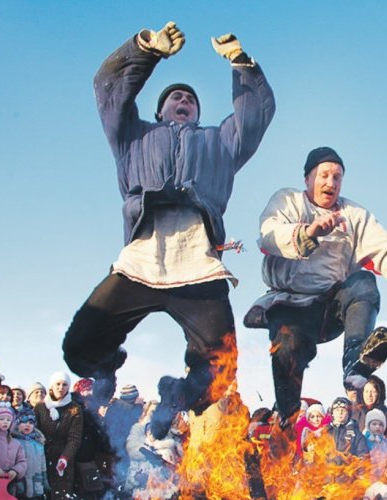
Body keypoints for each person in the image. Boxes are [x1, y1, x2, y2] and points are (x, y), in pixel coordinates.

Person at [62, 21, 276, 440]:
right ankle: (107, 367)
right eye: (176, 97)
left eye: (190, 99)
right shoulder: (132, 136)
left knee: (220, 371)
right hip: (142, 259)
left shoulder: (219, 143)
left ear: (197, 113)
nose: (184, 101)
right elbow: (108, 88)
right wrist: (146, 50)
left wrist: (243, 65)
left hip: (196, 264)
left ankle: (175, 398)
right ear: (160, 110)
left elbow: (255, 119)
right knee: (78, 349)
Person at [244, 146, 387, 423]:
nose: (330, 183)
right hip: (290, 303)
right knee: (287, 349)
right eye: (324, 175)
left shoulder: (353, 214)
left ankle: (355, 363)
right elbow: (269, 234)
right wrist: (309, 232)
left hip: (330, 307)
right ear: (307, 178)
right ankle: (286, 412)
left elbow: (383, 247)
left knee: (364, 282)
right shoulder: (287, 200)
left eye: (337, 177)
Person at [34, 372, 85, 500]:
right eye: (57, 384)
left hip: (63, 460)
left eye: (64, 384)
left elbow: (74, 437)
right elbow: (35, 430)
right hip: (41, 456)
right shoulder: (40, 408)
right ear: (51, 386)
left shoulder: (74, 409)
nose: (61, 388)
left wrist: (65, 457)